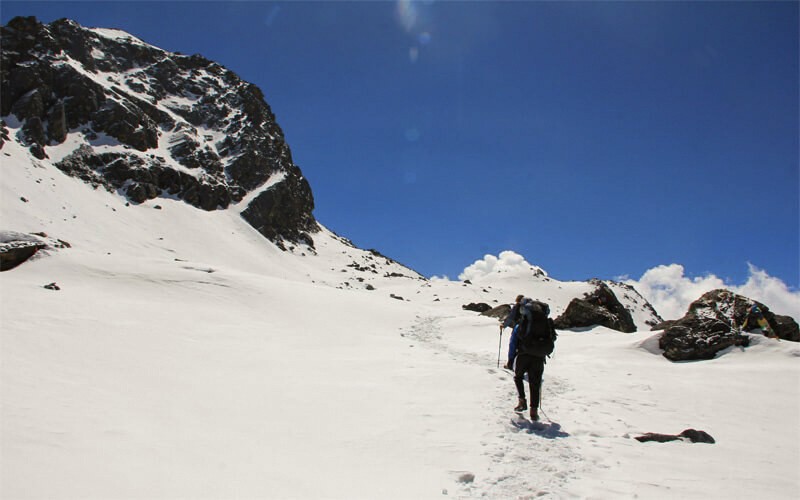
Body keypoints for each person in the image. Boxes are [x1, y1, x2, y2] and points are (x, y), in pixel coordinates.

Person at [503, 296, 552, 421]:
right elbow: (552, 338)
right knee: (535, 383)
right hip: (539, 357)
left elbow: (514, 341)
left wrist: (510, 359)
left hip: (523, 354)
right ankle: (533, 411)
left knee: (518, 377)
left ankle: (522, 401)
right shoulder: (545, 322)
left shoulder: (523, 323)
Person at [500, 295, 524, 369]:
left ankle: (510, 364)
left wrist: (503, 325)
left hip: (518, 329)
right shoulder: (529, 309)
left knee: (513, 346)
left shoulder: (517, 307)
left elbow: (511, 317)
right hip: (528, 332)